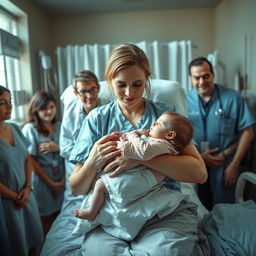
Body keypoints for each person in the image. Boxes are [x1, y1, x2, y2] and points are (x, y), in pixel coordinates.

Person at [69, 43, 207, 256]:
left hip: (161, 213)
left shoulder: (166, 117)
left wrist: (140, 158)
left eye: (137, 84)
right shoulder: (97, 120)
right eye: (121, 85)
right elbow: (76, 188)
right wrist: (91, 162)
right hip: (111, 214)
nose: (129, 93)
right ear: (109, 81)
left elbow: (199, 173)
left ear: (147, 80)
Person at [72, 112, 193, 240]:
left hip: (143, 178)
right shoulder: (97, 117)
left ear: (170, 135)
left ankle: (91, 212)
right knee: (102, 187)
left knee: (100, 185)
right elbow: (75, 188)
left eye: (158, 123)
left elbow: (143, 151)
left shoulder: (162, 144)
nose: (153, 123)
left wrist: (132, 135)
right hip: (141, 177)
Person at [187, 57, 255, 210]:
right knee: (198, 209)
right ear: (191, 78)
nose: (202, 81)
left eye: (206, 75)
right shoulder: (184, 100)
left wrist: (234, 164)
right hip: (197, 161)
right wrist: (199, 157)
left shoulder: (233, 98)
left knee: (225, 208)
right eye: (196, 77)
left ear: (213, 75)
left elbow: (248, 132)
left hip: (225, 164)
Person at [0, 85, 44, 256]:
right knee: (16, 246)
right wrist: (15, 196)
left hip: (26, 195)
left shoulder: (15, 128)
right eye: (2, 103)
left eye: (10, 101)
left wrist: (27, 188)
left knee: (34, 243)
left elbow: (27, 159)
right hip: (7, 203)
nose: (10, 107)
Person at [22, 91, 65, 234]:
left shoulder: (59, 126)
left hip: (61, 177)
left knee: (60, 216)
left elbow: (68, 153)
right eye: (44, 108)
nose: (49, 111)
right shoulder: (30, 129)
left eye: (52, 107)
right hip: (43, 180)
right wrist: (51, 184)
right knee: (46, 217)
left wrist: (62, 181)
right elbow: (30, 160)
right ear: (36, 110)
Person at [59, 70, 103, 191]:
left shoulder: (109, 109)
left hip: (103, 164)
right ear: (76, 93)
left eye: (92, 89)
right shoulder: (70, 115)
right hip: (78, 165)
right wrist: (89, 160)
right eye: (83, 91)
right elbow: (65, 148)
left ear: (98, 88)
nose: (89, 96)